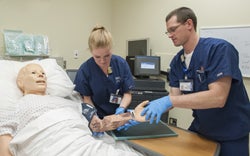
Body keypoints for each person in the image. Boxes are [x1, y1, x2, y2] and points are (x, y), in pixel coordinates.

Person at [121, 7, 250, 156]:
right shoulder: (177, 62)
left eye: (173, 29)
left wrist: (169, 101)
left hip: (231, 132)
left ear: (189, 24)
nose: (170, 35)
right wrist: (143, 112)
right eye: (167, 32)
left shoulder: (219, 50)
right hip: (202, 128)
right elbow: (174, 96)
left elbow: (218, 97)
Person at [0, 63, 147, 156]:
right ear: (20, 82)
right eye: (33, 73)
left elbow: (99, 125)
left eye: (43, 73)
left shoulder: (69, 102)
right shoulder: (14, 107)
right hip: (54, 147)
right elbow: (5, 147)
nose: (41, 75)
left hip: (87, 145)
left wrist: (131, 115)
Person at [74, 25, 135, 120]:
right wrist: (94, 118)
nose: (102, 61)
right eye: (97, 57)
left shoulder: (121, 64)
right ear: (91, 51)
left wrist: (121, 109)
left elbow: (127, 93)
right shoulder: (85, 70)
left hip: (119, 116)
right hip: (97, 117)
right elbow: (87, 99)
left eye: (107, 56)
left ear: (111, 49)